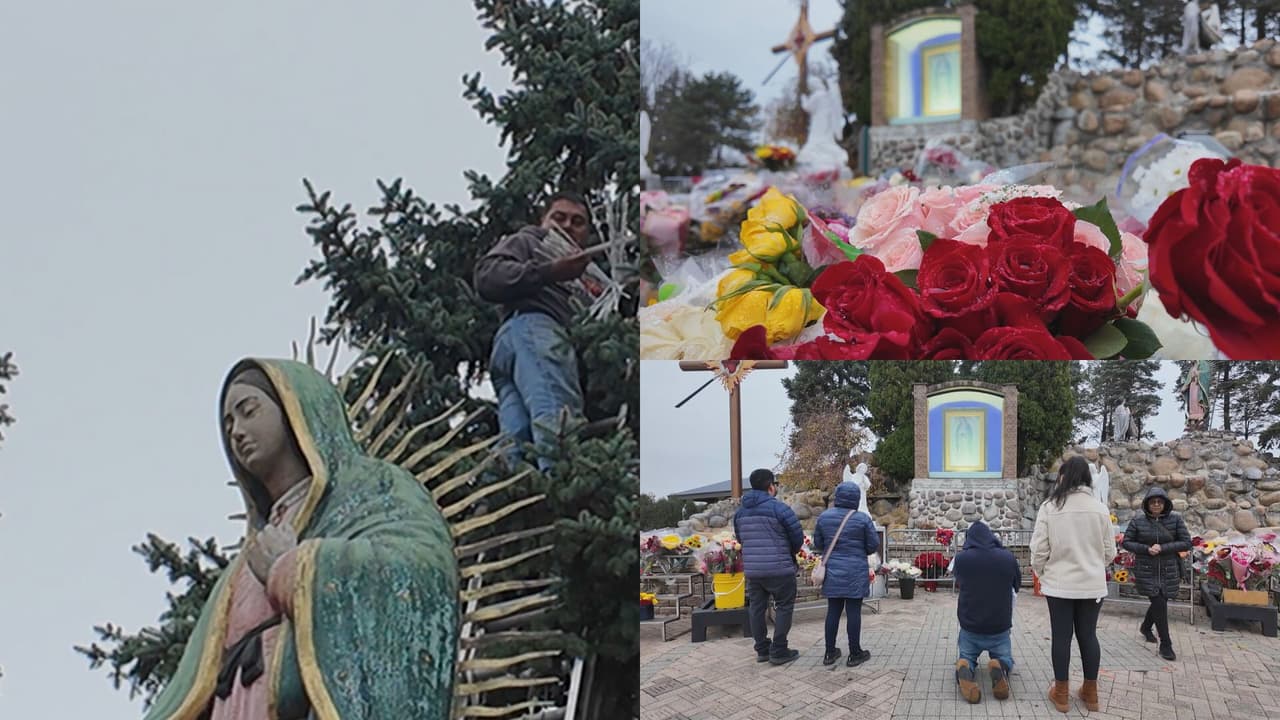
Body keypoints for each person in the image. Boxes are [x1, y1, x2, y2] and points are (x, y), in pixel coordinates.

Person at [143, 360, 458, 719]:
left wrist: (295, 568)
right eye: (228, 425)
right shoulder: (243, 562)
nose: (237, 432)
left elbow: (421, 571)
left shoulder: (375, 489)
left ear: (294, 410)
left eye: (249, 411)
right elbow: (190, 688)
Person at [473, 191, 594, 471]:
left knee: (516, 435)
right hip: (536, 331)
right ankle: (561, 483)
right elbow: (488, 275)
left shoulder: (588, 271)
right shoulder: (530, 241)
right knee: (556, 411)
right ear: (543, 221)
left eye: (578, 222)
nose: (567, 225)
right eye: (559, 217)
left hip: (518, 346)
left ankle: (506, 488)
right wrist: (549, 272)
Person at [1030, 455, 1116, 714]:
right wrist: (1094, 565)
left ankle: (1061, 694)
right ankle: (1091, 692)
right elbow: (1110, 552)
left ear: (1062, 477)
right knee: (1088, 635)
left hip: (1059, 584)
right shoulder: (1100, 508)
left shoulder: (1050, 507)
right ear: (1088, 478)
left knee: (1061, 637)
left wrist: (1042, 573)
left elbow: (1039, 549)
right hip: (1092, 585)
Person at [733, 468, 804, 666]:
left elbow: (740, 539)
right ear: (771, 487)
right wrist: (788, 552)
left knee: (756, 608)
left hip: (754, 571)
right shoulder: (780, 509)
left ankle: (762, 649)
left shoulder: (740, 513)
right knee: (784, 606)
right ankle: (779, 650)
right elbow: (797, 538)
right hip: (780, 569)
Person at [812, 481, 880, 667]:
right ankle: (855, 653)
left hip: (832, 570)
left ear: (837, 497)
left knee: (833, 611)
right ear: (856, 499)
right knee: (853, 612)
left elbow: (818, 543)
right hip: (855, 571)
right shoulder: (862, 519)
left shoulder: (824, 517)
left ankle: (829, 653)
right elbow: (872, 545)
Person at [952, 521, 1020, 704]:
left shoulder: (962, 559)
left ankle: (965, 667)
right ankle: (1000, 666)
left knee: (967, 657)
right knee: (1005, 658)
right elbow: (1017, 585)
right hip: (999, 627)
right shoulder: (1008, 558)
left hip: (970, 626)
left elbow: (959, 581)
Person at [1123, 487, 1191, 661]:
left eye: (1159, 502)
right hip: (1147, 568)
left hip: (1169, 568)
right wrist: (1146, 549)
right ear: (1147, 504)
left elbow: (1186, 542)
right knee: (1159, 602)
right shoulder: (1138, 521)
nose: (1156, 505)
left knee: (1160, 601)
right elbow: (1127, 542)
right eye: (1152, 502)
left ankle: (1146, 627)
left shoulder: (1175, 520)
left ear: (1165, 504)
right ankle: (1166, 644)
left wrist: (1163, 548)